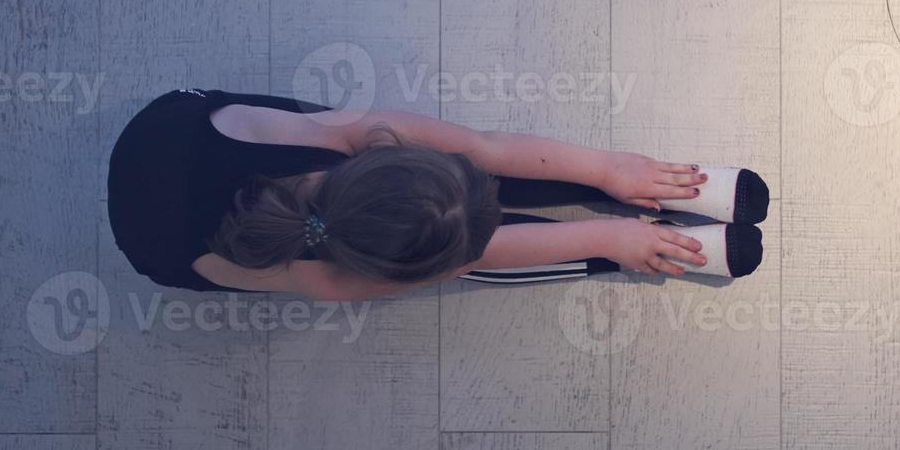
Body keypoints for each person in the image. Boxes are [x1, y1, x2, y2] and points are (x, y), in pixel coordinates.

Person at [106, 89, 768, 301]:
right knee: (478, 246)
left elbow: (483, 148)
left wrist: (608, 169)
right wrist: (609, 238)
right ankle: (622, 249)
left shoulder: (348, 133)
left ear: (385, 150)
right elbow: (470, 256)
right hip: (161, 245)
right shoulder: (330, 276)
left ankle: (632, 187)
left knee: (471, 180)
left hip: (175, 126)